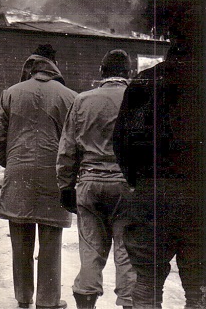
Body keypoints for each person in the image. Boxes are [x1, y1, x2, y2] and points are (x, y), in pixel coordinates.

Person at [113, 11, 206, 309]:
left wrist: (139, 180)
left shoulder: (144, 82)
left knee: (148, 280)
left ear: (171, 40)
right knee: (198, 283)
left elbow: (121, 141)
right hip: (200, 196)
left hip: (152, 192)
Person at [0, 44, 76, 309]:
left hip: (19, 175)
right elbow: (74, 143)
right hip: (55, 176)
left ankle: (23, 298)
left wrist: (12, 164)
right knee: (51, 240)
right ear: (54, 63)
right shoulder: (70, 96)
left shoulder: (11, 93)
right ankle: (48, 301)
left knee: (20, 240)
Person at [57, 49, 136, 309]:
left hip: (89, 183)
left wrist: (65, 185)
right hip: (128, 186)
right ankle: (128, 303)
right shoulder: (139, 99)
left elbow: (67, 148)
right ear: (129, 73)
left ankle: (86, 303)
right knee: (127, 254)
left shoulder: (82, 100)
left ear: (102, 72)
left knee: (90, 252)